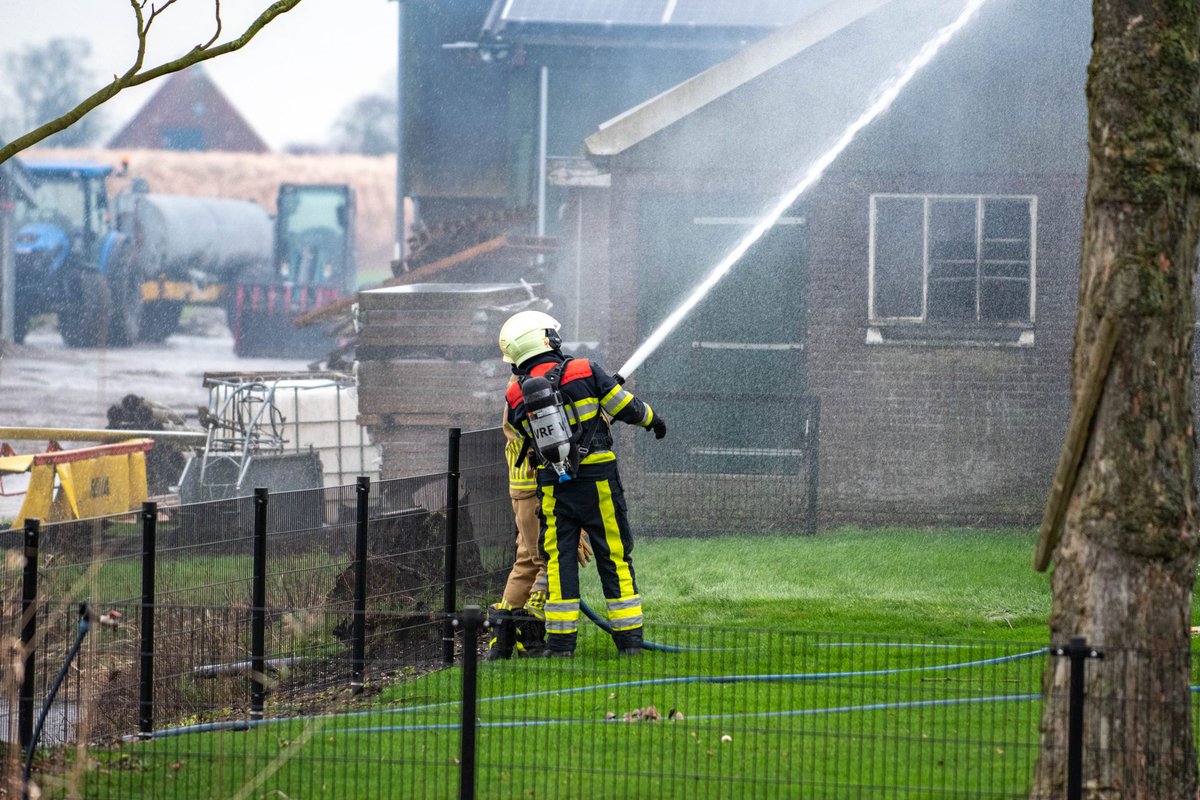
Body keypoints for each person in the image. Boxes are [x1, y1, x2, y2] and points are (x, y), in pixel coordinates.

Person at [498, 310, 667, 657]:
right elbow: (625, 407)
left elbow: (527, 436)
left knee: (558, 562)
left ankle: (560, 645)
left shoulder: (515, 394)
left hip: (553, 488)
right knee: (614, 557)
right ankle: (630, 642)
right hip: (598, 480)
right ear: (546, 339)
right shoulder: (584, 369)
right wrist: (653, 420)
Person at [486, 391, 593, 660]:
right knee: (552, 557)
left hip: (522, 486)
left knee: (526, 562)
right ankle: (530, 636)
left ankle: (502, 641)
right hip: (539, 486)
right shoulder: (535, 387)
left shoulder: (516, 385)